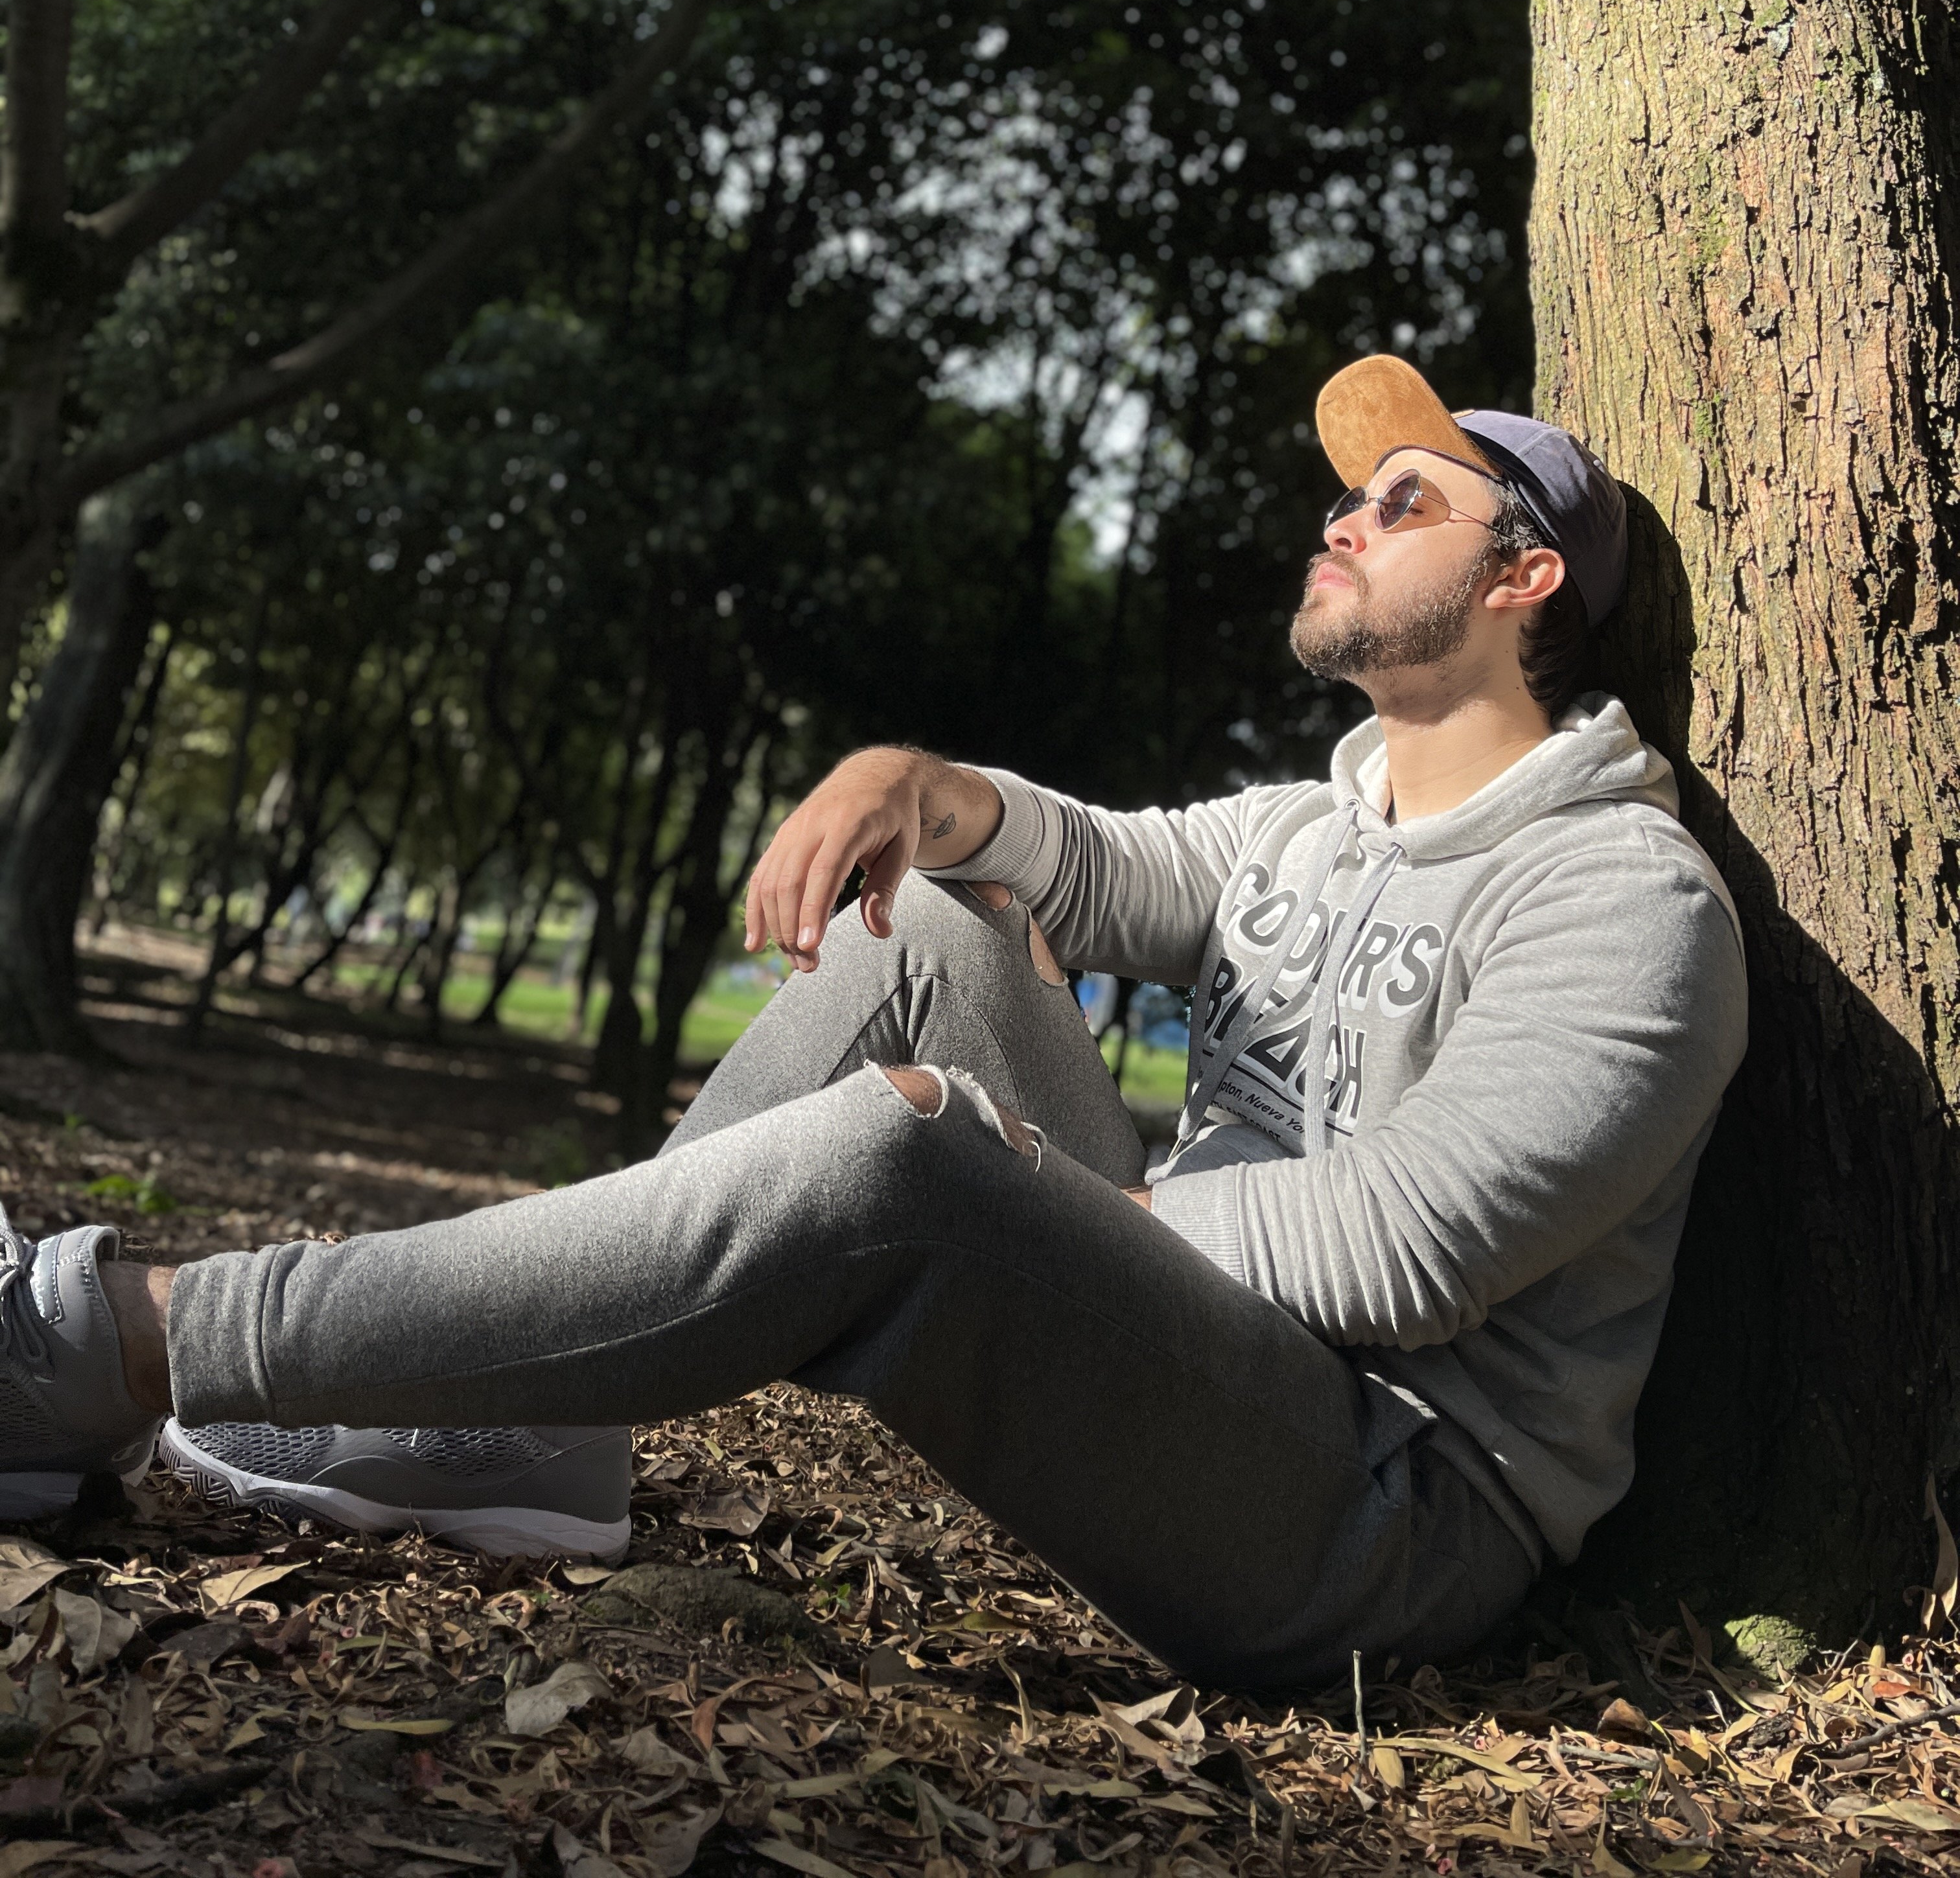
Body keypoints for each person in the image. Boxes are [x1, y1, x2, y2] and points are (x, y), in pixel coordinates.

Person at [0, 356, 1745, 1687]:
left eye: (1404, 501)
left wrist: (1045, 1200)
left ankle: (107, 1340)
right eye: (1349, 496)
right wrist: (922, 784)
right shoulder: (1313, 824)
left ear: (1524, 580)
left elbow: (1404, 1253)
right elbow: (1100, 865)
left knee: (908, 1153)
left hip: (1384, 1517)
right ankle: (543, 1426)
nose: (1342, 521)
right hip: (1208, 1357)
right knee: (935, 923)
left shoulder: (1622, 897)